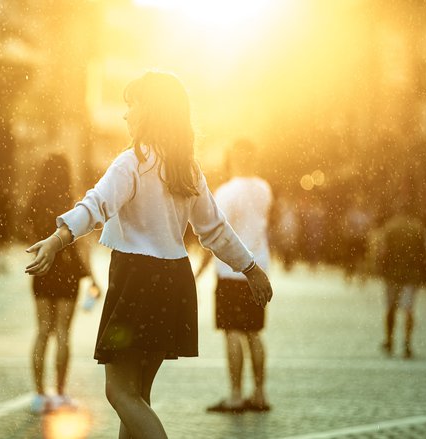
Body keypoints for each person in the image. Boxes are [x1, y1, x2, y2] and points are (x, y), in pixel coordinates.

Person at [25, 71, 273, 439]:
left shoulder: (132, 162)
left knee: (119, 392)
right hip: (175, 281)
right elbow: (215, 230)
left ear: (150, 111)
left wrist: (57, 239)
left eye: (132, 105)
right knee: (138, 395)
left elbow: (95, 205)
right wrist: (251, 268)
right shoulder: (185, 167)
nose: (126, 115)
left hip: (137, 281)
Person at [195, 139, 273, 413]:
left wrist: (200, 269)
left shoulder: (226, 192)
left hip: (230, 270)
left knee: (232, 332)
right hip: (258, 268)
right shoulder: (265, 189)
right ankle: (261, 394)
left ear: (233, 159)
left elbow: (218, 235)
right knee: (254, 332)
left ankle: (236, 395)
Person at [26, 153, 98, 414]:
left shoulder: (35, 201)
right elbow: (81, 245)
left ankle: (38, 394)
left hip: (42, 268)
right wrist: (93, 277)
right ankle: (59, 392)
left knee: (43, 331)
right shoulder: (71, 202)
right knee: (63, 332)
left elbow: (27, 233)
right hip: (67, 271)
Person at [378, 212, 426, 359]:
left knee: (391, 308)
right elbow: (423, 253)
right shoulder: (418, 228)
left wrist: (382, 269)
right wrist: (423, 272)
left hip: (392, 274)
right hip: (412, 275)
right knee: (408, 309)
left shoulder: (390, 227)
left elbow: (383, 251)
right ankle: (407, 342)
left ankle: (389, 340)